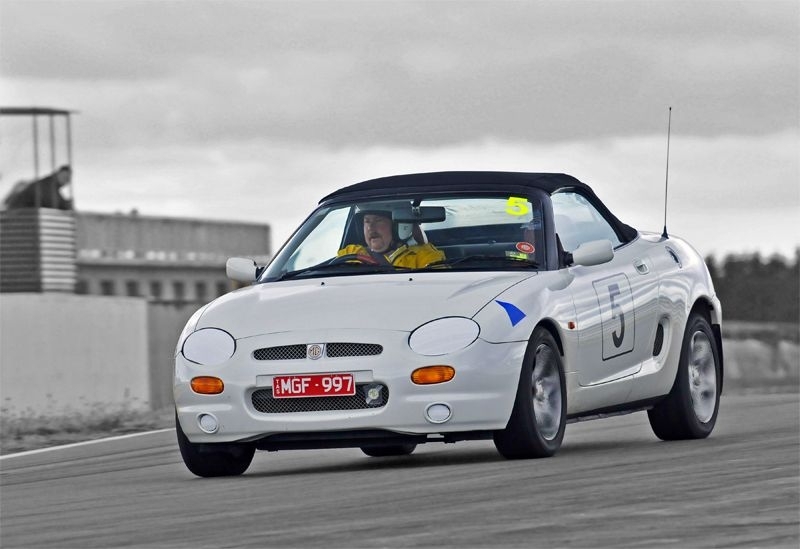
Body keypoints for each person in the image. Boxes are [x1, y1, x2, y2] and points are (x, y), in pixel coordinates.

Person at [337, 210, 444, 268]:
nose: (370, 227)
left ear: (398, 227)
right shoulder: (351, 253)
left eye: (378, 220)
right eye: (367, 221)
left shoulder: (423, 256)